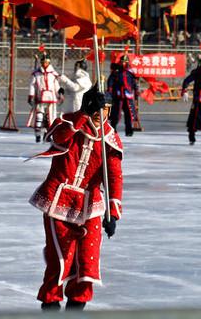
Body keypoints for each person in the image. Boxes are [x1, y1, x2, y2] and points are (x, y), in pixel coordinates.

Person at [30, 86, 123, 311]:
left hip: (90, 205)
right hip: (58, 200)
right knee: (60, 257)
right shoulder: (70, 123)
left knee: (88, 260)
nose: (101, 116)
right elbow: (59, 137)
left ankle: (77, 306)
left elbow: (113, 176)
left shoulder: (109, 137)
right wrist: (82, 115)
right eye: (97, 110)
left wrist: (112, 212)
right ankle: (51, 304)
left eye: (106, 111)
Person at [27, 51, 62, 143]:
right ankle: (37, 135)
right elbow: (32, 85)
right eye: (43, 62)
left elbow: (56, 86)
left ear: (49, 63)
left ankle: (48, 134)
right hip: (40, 98)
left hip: (51, 98)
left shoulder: (53, 74)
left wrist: (60, 94)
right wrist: (31, 95)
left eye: (46, 62)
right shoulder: (37, 74)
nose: (44, 64)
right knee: (39, 117)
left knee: (50, 118)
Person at [105, 54, 140, 137]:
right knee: (116, 114)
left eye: (125, 62)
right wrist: (109, 92)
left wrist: (136, 92)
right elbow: (110, 83)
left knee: (129, 114)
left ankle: (129, 130)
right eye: (122, 62)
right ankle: (113, 130)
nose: (124, 63)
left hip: (128, 96)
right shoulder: (116, 72)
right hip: (118, 96)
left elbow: (134, 84)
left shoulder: (130, 73)